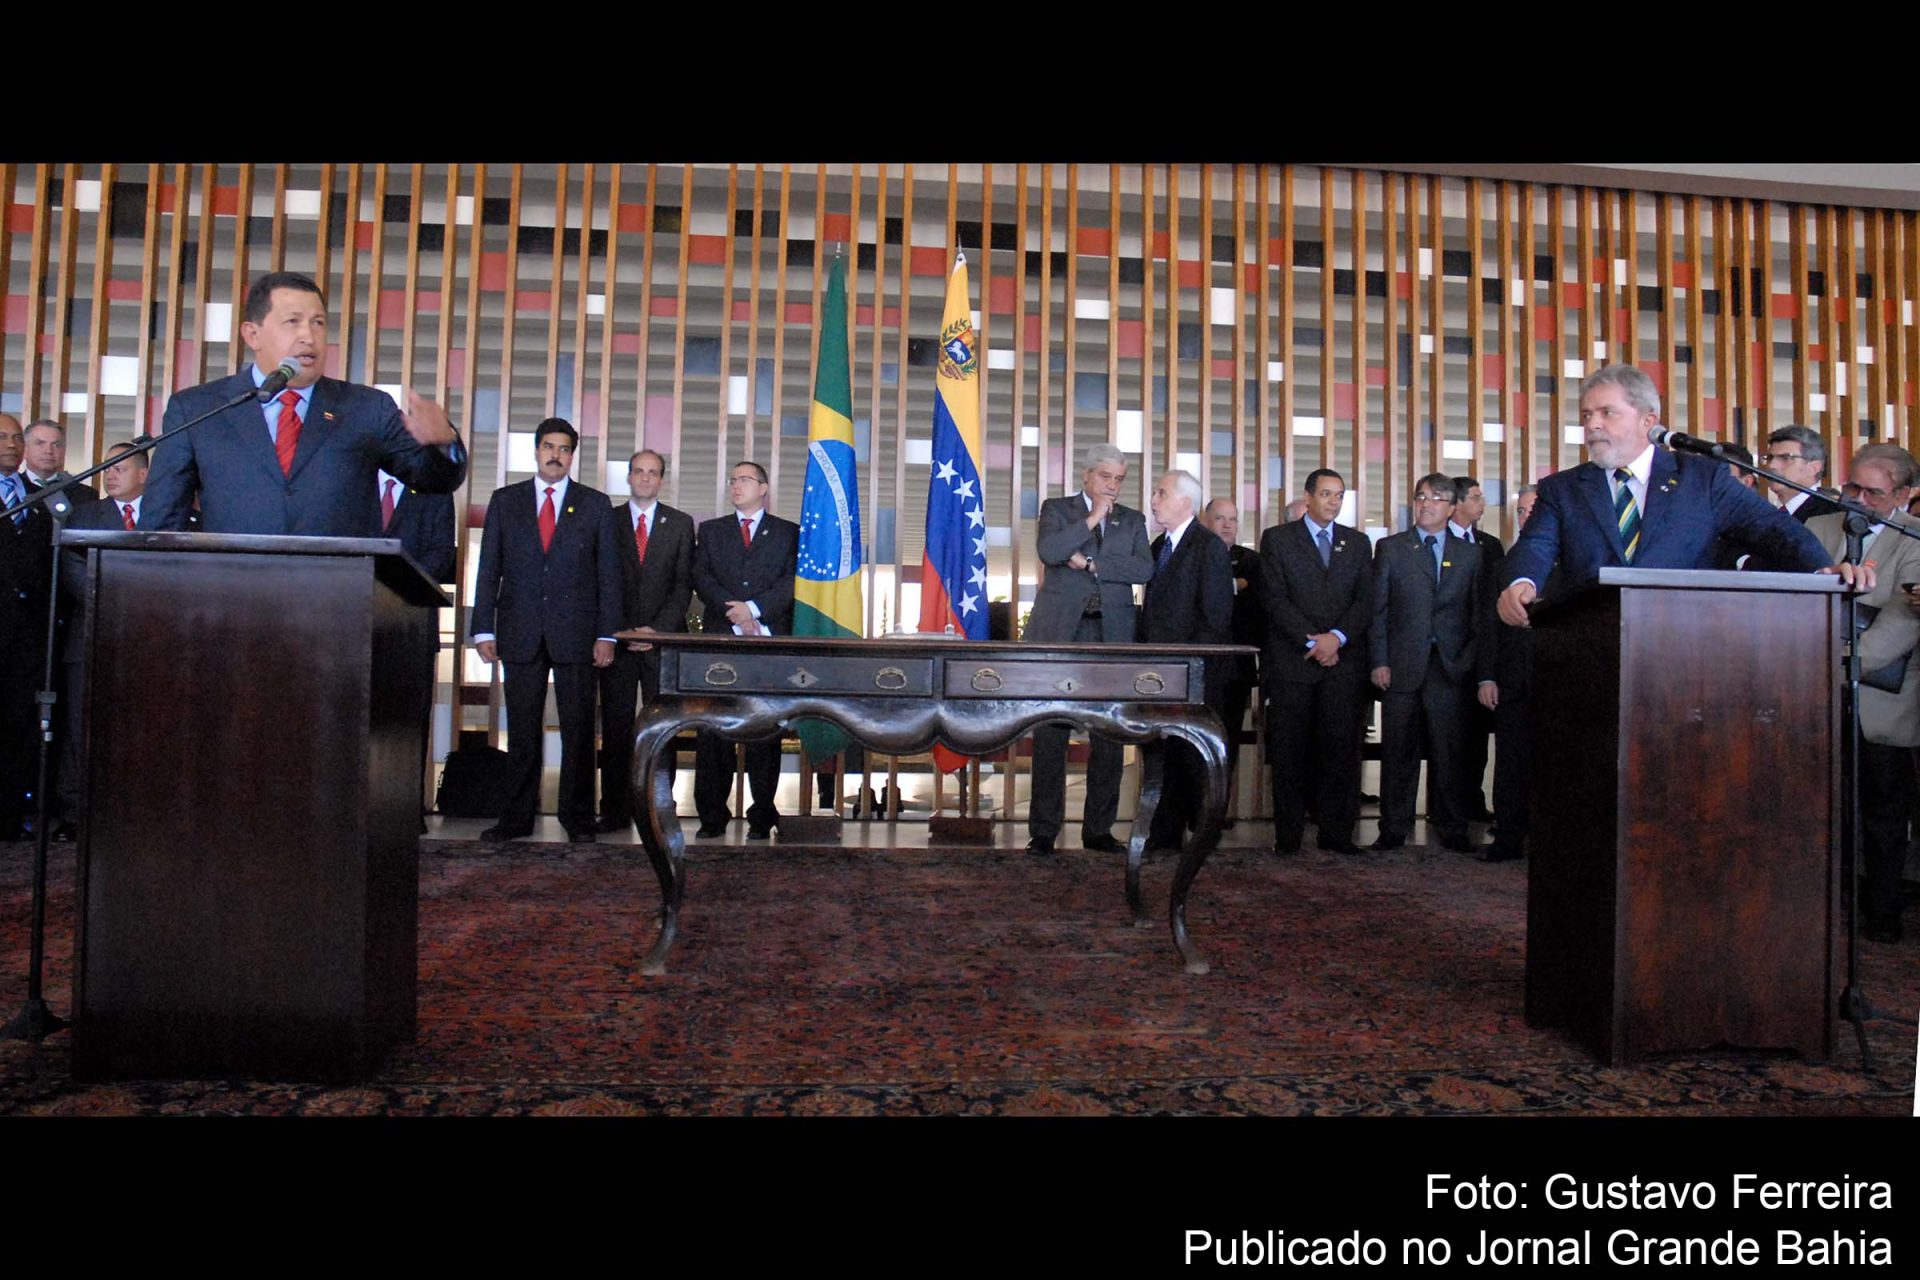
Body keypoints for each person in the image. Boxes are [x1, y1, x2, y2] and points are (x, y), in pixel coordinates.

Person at [1498, 364, 1856, 627]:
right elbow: (1536, 545)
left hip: (1685, 641)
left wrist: (1820, 566)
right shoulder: (1563, 489)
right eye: (1588, 414)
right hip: (1590, 644)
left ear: (1647, 421)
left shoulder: (1702, 478)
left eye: (1607, 413)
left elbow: (1770, 528)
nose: (1592, 424)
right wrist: (1521, 583)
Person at [141, 271, 465, 534]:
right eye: (292, 321)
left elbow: (435, 481)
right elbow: (161, 521)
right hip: (229, 599)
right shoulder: (200, 409)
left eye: (318, 322)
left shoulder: (367, 408)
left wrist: (443, 443)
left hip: (337, 599)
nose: (308, 336)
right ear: (252, 335)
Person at [470, 419, 622, 844]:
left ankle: (577, 817)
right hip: (519, 630)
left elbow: (608, 574)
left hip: (577, 632)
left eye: (564, 449)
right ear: (536, 451)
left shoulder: (594, 504)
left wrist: (607, 634)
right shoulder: (506, 501)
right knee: (521, 729)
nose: (556, 455)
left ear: (573, 455)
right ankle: (516, 818)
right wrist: (483, 627)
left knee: (577, 730)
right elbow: (490, 570)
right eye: (549, 447)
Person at [1808, 444, 1920, 944]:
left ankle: (1882, 912)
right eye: (1851, 486)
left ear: (1903, 494)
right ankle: (1824, 907)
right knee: (1823, 809)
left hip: (1882, 703)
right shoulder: (1819, 529)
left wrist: (1830, 660)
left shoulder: (1914, 541)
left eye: (1872, 492)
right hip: (1817, 697)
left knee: (1883, 815)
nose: (1856, 498)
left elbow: (1900, 625)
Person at [1022, 442, 1152, 855]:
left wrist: (1093, 564)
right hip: (1061, 634)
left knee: (1109, 734)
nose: (1112, 486)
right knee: (1051, 732)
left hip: (1110, 635)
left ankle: (1098, 829)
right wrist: (1092, 518)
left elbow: (1142, 568)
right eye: (1105, 477)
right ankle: (1044, 830)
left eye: (1119, 479)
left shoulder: (1133, 520)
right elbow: (1050, 551)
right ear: (1087, 475)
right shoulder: (1057, 510)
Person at [1258, 467, 1373, 856]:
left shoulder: (1357, 544)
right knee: (1290, 752)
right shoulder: (1278, 539)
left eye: (1339, 495)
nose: (1333, 502)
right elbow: (1273, 599)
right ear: (1308, 497)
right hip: (1294, 662)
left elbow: (1365, 601)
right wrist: (1313, 640)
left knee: (1339, 751)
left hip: (1341, 664)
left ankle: (1336, 834)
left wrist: (1336, 639)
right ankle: (1288, 837)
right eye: (1326, 494)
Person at [1369, 473, 1484, 854]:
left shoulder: (1471, 553)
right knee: (1398, 752)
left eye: (1436, 498)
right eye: (1421, 496)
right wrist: (1379, 660)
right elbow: (1379, 611)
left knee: (1449, 753)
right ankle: (1393, 828)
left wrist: (1467, 660)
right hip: (1402, 666)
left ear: (1452, 508)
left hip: (1450, 668)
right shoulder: (1392, 548)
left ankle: (1452, 827)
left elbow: (1476, 614)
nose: (1426, 504)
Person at [692, 460, 798, 839]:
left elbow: (793, 582)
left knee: (764, 731)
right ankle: (712, 816)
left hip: (768, 643)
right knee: (714, 730)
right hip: (721, 640)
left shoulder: (788, 533)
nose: (736, 485)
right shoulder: (712, 530)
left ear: (764, 488)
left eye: (745, 480)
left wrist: (755, 611)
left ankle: (762, 815)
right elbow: (701, 578)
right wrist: (736, 613)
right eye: (732, 479)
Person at [53, 441, 149, 838]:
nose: (110, 475)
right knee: (82, 726)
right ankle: (75, 813)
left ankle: (136, 807)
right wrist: (119, 601)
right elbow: (72, 570)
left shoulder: (169, 515)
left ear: (144, 475)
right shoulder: (85, 514)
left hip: (148, 642)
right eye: (107, 468)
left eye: (120, 468)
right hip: (92, 634)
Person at [600, 448, 694, 832]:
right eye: (638, 471)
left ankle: (659, 807)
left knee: (662, 730)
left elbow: (683, 584)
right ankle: (614, 810)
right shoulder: (608, 520)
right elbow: (602, 581)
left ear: (662, 479)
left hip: (664, 643)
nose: (645, 478)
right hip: (618, 643)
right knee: (617, 728)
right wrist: (623, 630)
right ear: (628, 476)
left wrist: (657, 631)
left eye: (653, 473)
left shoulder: (681, 524)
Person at [1139, 471, 1234, 850]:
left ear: (1185, 502)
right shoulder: (1159, 544)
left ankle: (1202, 836)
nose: (1154, 499)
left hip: (1193, 675)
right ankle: (1165, 833)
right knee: (1165, 754)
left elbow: (1216, 617)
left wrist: (1187, 670)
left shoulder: (1207, 546)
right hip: (1158, 674)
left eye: (1161, 493)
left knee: (1193, 758)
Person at [1476, 483, 1540, 863]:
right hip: (1512, 679)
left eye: (1534, 510)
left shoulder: (1569, 559)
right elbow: (1489, 626)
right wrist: (1487, 676)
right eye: (1521, 511)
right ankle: (1508, 839)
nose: (1526, 517)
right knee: (1510, 763)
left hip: (1560, 680)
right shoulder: (1506, 562)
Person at [0, 415, 53, 840]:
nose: (12, 444)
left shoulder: (40, 497)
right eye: (2, 436)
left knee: (19, 722)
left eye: (17, 437)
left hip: (28, 634)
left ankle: (11, 813)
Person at [1202, 496, 1263, 827]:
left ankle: (1217, 810)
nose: (1227, 525)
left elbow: (1256, 601)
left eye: (1233, 519)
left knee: (1228, 741)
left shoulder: (1250, 560)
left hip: (1236, 667)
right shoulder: (1193, 554)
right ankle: (1191, 808)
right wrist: (1234, 585)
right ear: (1205, 520)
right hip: (1197, 664)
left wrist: (1238, 586)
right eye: (1220, 518)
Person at [1451, 475, 1501, 823]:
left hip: (1481, 651)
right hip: (1444, 652)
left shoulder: (1490, 545)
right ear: (1455, 503)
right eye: (1475, 496)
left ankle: (1472, 800)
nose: (1482, 502)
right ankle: (1446, 805)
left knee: (1477, 737)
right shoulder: (1435, 542)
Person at [22, 420, 97, 504]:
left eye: (56, 445)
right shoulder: (12, 490)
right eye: (40, 443)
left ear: (64, 451)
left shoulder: (86, 495)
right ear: (24, 449)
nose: (48, 451)